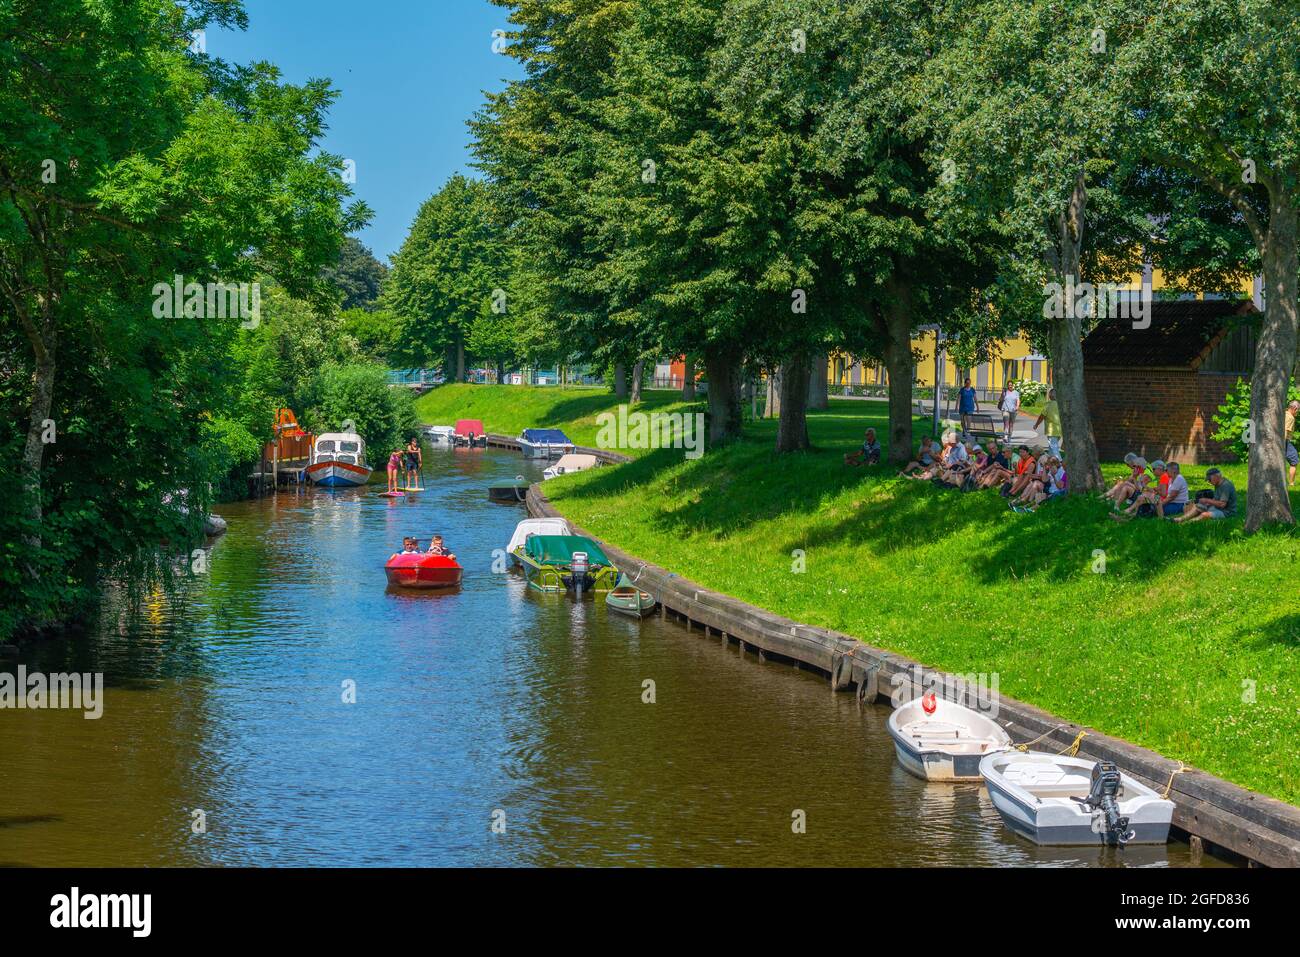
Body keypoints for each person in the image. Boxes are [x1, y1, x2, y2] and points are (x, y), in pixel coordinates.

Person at [1033, 388, 1062, 459]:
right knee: (1051, 448)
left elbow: (1042, 416)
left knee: (1054, 448)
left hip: (1051, 430)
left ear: (1049, 396)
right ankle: (1051, 464)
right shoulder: (1061, 404)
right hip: (1059, 430)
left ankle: (1059, 462)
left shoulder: (1048, 405)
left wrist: (1036, 424)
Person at [1287, 400, 1299, 486]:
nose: (1298, 412)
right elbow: (1285, 430)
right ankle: (1291, 483)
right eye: (1298, 410)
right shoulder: (1290, 417)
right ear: (1295, 408)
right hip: (1284, 442)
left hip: (1282, 441)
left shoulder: (1284, 413)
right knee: (1294, 460)